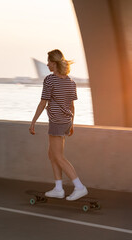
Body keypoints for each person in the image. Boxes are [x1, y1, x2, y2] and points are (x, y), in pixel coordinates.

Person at [29, 49, 88, 201]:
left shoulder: (50, 79)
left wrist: (33, 122)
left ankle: (79, 187)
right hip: (66, 121)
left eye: (49, 61)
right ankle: (58, 188)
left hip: (56, 121)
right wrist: (72, 124)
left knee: (59, 157)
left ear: (54, 63)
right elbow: (72, 106)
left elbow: (43, 102)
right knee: (52, 154)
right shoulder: (70, 81)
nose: (47, 64)